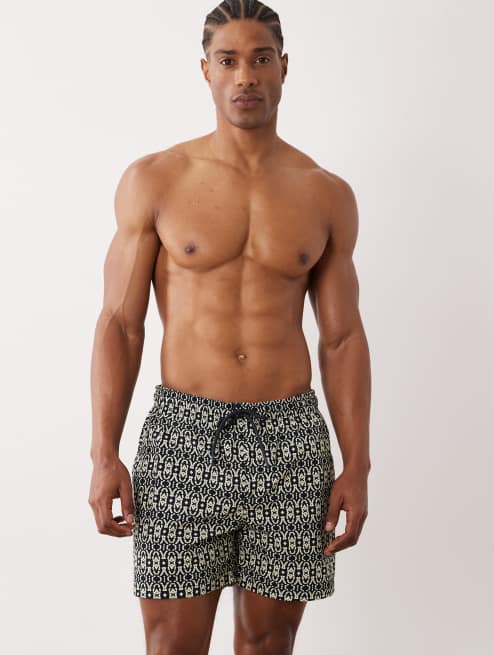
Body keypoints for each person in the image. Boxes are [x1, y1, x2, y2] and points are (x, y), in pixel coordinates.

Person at [88, 1, 371, 653]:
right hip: (184, 435)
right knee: (171, 644)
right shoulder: (155, 179)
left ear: (283, 68)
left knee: (269, 641)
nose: (246, 75)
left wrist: (357, 465)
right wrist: (104, 453)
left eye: (260, 58)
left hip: (290, 440)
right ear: (206, 71)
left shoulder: (325, 193)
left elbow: (342, 339)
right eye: (229, 60)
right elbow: (120, 324)